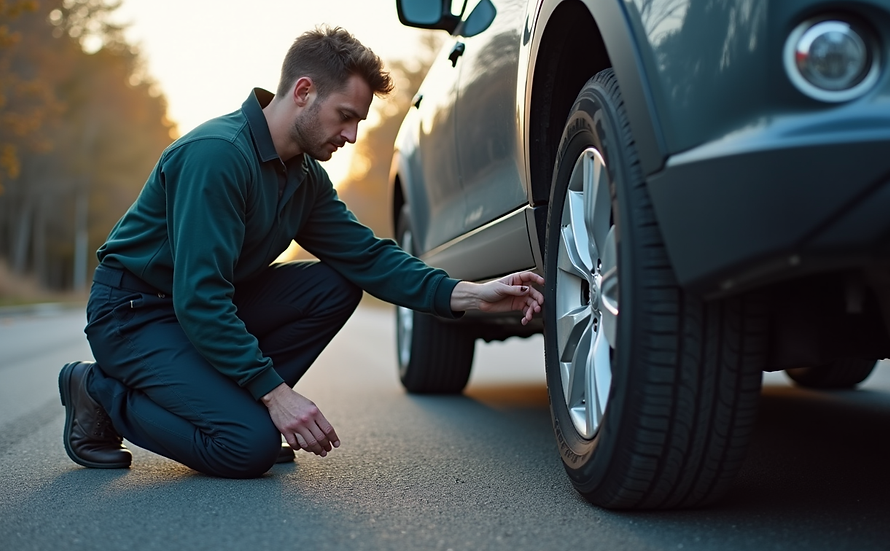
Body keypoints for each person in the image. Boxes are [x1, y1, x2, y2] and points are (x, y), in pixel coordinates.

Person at [57, 26, 544, 479]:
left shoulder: (304, 177)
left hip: (196, 311)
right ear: (304, 92)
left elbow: (367, 257)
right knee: (247, 448)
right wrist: (275, 393)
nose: (351, 135)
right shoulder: (217, 156)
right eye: (346, 116)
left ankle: (246, 409)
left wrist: (469, 295)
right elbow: (200, 299)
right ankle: (99, 391)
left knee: (334, 284)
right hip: (134, 315)